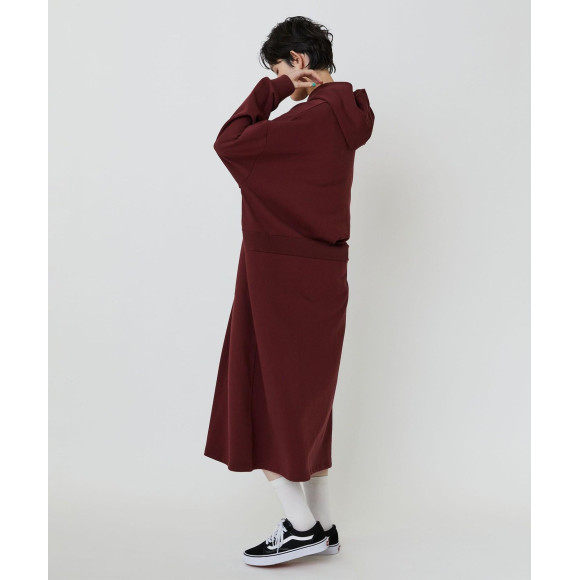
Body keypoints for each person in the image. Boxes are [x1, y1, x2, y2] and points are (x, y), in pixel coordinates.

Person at [203, 15, 375, 566]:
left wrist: (275, 90)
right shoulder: (343, 116)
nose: (282, 79)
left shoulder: (310, 118)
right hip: (325, 277)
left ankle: (301, 529)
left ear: (298, 62)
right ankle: (322, 524)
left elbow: (230, 143)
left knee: (264, 397)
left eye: (281, 67)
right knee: (307, 405)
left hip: (279, 277)